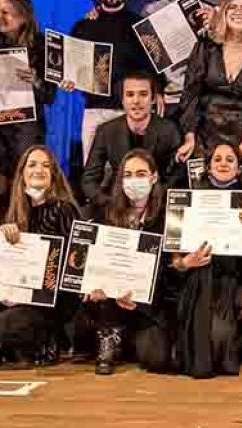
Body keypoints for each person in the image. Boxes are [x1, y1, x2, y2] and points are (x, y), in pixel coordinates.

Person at [172, 140, 242, 378]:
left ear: (239, 168)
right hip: (196, 283)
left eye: (230, 160)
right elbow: (174, 260)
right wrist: (188, 261)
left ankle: (238, 340)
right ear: (207, 167)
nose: (223, 164)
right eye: (217, 159)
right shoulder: (189, 198)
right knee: (210, 339)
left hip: (232, 283)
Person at [0, 146, 80, 367]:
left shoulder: (64, 209)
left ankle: (49, 338)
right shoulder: (10, 208)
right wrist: (2, 236)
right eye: (32, 164)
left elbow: (68, 267)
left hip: (51, 298)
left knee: (5, 324)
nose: (39, 170)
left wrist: (24, 292)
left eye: (46, 166)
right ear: (22, 172)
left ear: (54, 174)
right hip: (17, 290)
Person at [87, 149, 173, 375]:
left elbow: (170, 270)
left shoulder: (167, 215)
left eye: (141, 173)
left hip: (149, 304)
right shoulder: (105, 213)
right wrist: (94, 285)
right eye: (128, 174)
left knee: (157, 360)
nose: (134, 180)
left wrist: (139, 298)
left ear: (153, 178)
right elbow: (94, 259)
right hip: (112, 302)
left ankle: (129, 339)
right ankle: (109, 340)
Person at [68, 0, 156, 164]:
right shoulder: (83, 26)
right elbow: (71, 73)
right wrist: (68, 82)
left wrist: (156, 90)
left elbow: (154, 69)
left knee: (127, 173)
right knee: (92, 174)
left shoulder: (140, 26)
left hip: (128, 113)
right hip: (93, 111)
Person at [0, 0, 55, 206]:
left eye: (5, 12)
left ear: (23, 15)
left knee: (25, 191)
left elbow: (49, 96)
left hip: (26, 130)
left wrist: (35, 81)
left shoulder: (43, 47)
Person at [179, 0, 242, 158]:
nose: (238, 12)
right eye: (232, 7)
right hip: (203, 136)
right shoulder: (205, 48)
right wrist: (189, 136)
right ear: (223, 13)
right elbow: (190, 96)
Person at [82, 72, 182, 206]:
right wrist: (111, 203)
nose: (136, 101)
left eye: (143, 94)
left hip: (157, 204)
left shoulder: (169, 130)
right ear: (122, 99)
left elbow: (177, 177)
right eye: (130, 95)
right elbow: (88, 180)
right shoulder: (106, 131)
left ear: (153, 99)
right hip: (117, 203)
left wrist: (153, 202)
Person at [140, 0, 198, 122]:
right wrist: (155, 89)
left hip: (200, 98)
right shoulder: (150, 11)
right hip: (167, 100)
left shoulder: (204, 6)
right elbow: (146, 59)